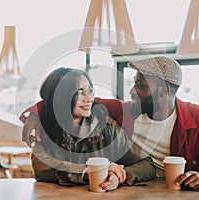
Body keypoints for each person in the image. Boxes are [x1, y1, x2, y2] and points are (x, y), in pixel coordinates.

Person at [20, 56, 199, 191]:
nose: (132, 91)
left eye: (141, 85)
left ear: (164, 91)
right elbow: (66, 101)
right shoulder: (125, 112)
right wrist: (35, 113)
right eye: (134, 83)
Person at [20, 67, 155, 191]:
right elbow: (42, 168)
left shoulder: (106, 127)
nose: (89, 98)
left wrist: (119, 175)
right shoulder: (43, 129)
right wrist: (93, 171)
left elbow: (146, 164)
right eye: (80, 92)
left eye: (90, 91)